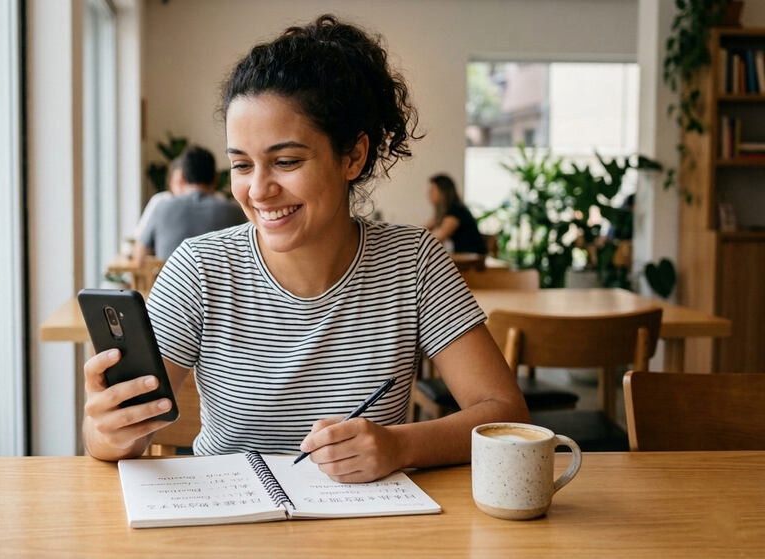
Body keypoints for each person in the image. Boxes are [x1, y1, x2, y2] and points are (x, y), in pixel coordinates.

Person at [83, 15, 528, 482]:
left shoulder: (411, 260)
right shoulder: (199, 268)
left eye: (286, 161)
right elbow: (112, 441)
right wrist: (109, 432)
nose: (258, 190)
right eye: (241, 165)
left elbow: (504, 414)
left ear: (353, 156)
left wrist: (399, 445)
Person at [132, 145, 246, 263]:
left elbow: (139, 257)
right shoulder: (235, 211)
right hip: (220, 281)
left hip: (172, 281)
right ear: (215, 179)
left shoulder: (162, 207)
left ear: (182, 178)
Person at [424, 173, 487, 255]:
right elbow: (424, 228)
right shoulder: (447, 212)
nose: (428, 194)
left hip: (473, 260)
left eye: (432, 190)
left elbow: (435, 238)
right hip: (465, 257)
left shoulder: (456, 211)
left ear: (443, 192)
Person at [132, 157, 185, 243]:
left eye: (185, 183)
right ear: (170, 182)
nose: (181, 188)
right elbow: (139, 234)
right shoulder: (160, 200)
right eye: (178, 182)